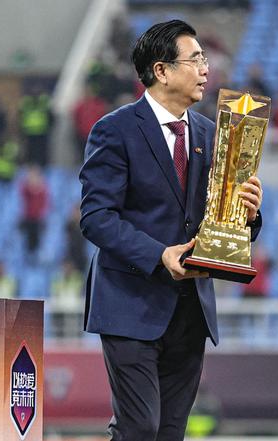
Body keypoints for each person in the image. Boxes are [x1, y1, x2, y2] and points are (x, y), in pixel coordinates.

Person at [79, 20, 263, 440]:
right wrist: (159, 254)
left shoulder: (214, 134)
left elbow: (223, 223)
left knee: (170, 432)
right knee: (139, 428)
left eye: (205, 59)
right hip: (130, 303)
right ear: (161, 71)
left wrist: (248, 213)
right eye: (195, 59)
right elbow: (96, 217)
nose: (206, 69)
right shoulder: (114, 129)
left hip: (190, 310)